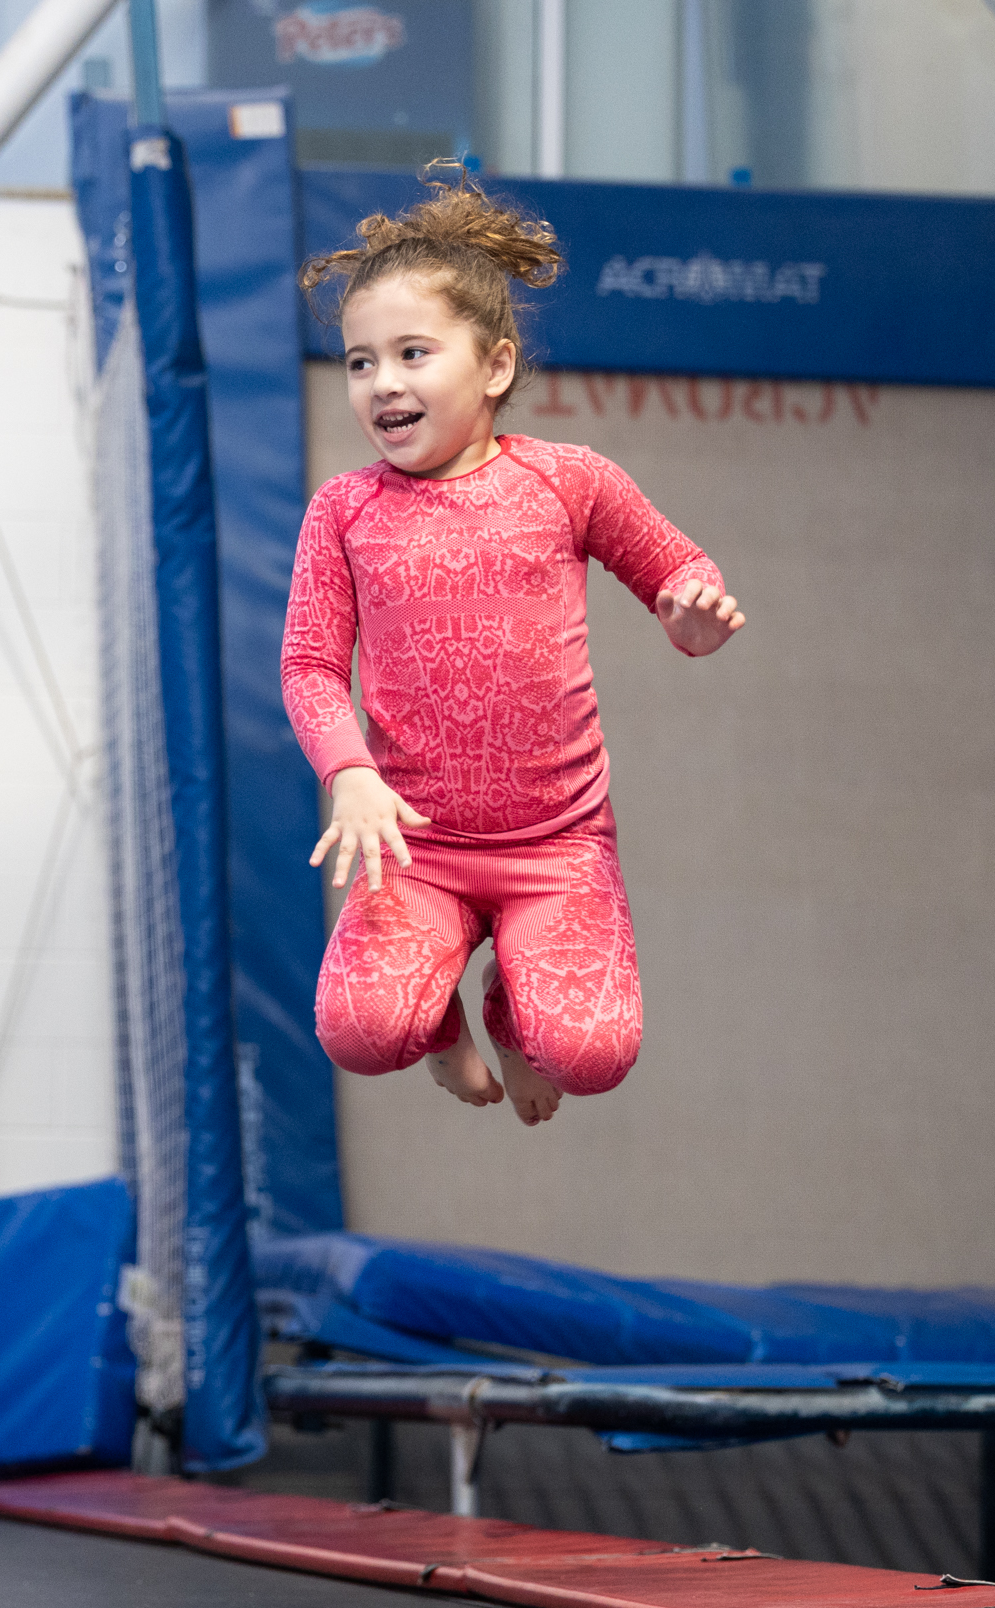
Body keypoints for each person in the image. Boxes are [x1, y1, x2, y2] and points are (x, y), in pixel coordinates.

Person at [286, 168, 743, 1127]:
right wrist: (350, 773)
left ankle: (511, 1011)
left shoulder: (569, 481)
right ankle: (443, 1023)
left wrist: (691, 620)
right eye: (360, 361)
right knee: (358, 1031)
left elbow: (675, 570)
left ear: (493, 367)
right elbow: (312, 666)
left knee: (592, 1054)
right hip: (414, 842)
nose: (383, 382)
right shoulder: (344, 510)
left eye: (413, 352)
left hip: (557, 845)